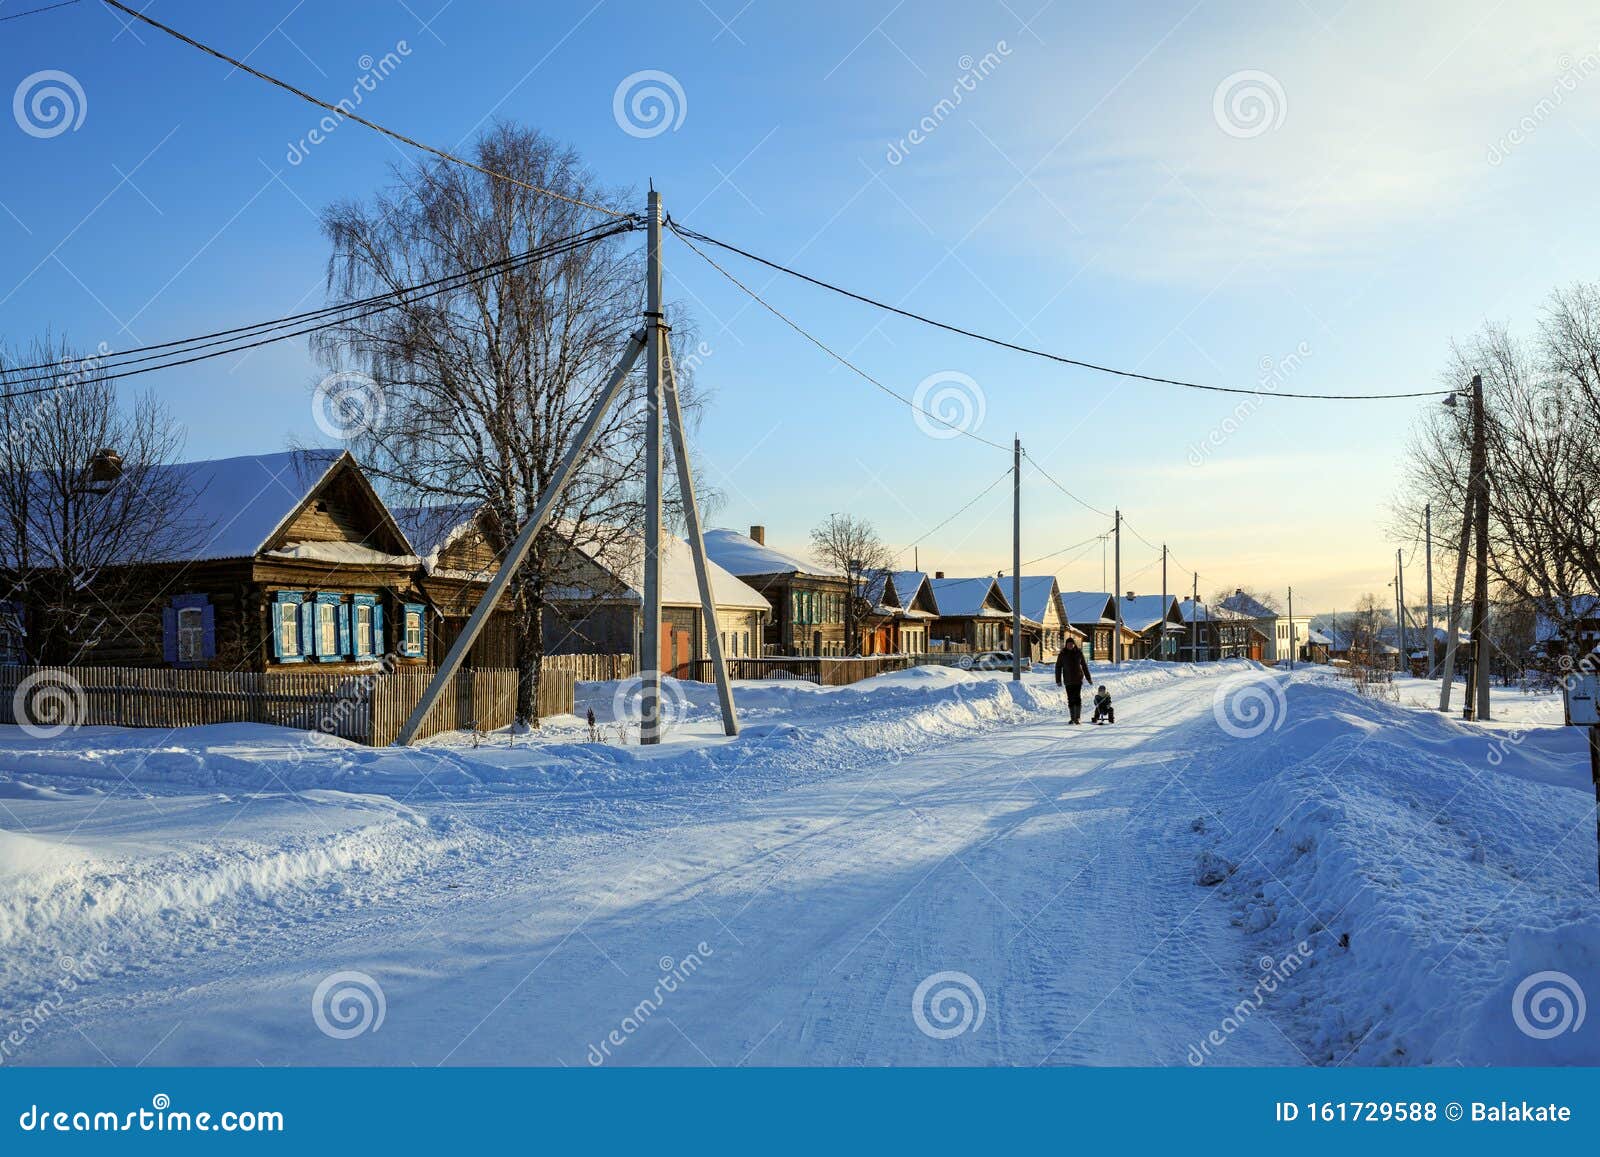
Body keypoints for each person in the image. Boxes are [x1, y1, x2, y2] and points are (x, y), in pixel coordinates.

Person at [1054, 636, 1092, 724]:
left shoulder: (1079, 653)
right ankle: (1072, 718)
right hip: (1068, 680)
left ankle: (1077, 718)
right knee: (1070, 699)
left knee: (1077, 698)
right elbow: (1058, 667)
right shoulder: (1062, 654)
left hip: (1078, 679)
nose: (1070, 645)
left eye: (1072, 644)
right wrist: (1058, 680)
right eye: (1069, 644)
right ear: (1066, 645)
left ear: (1074, 645)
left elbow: (1084, 666)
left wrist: (1088, 678)